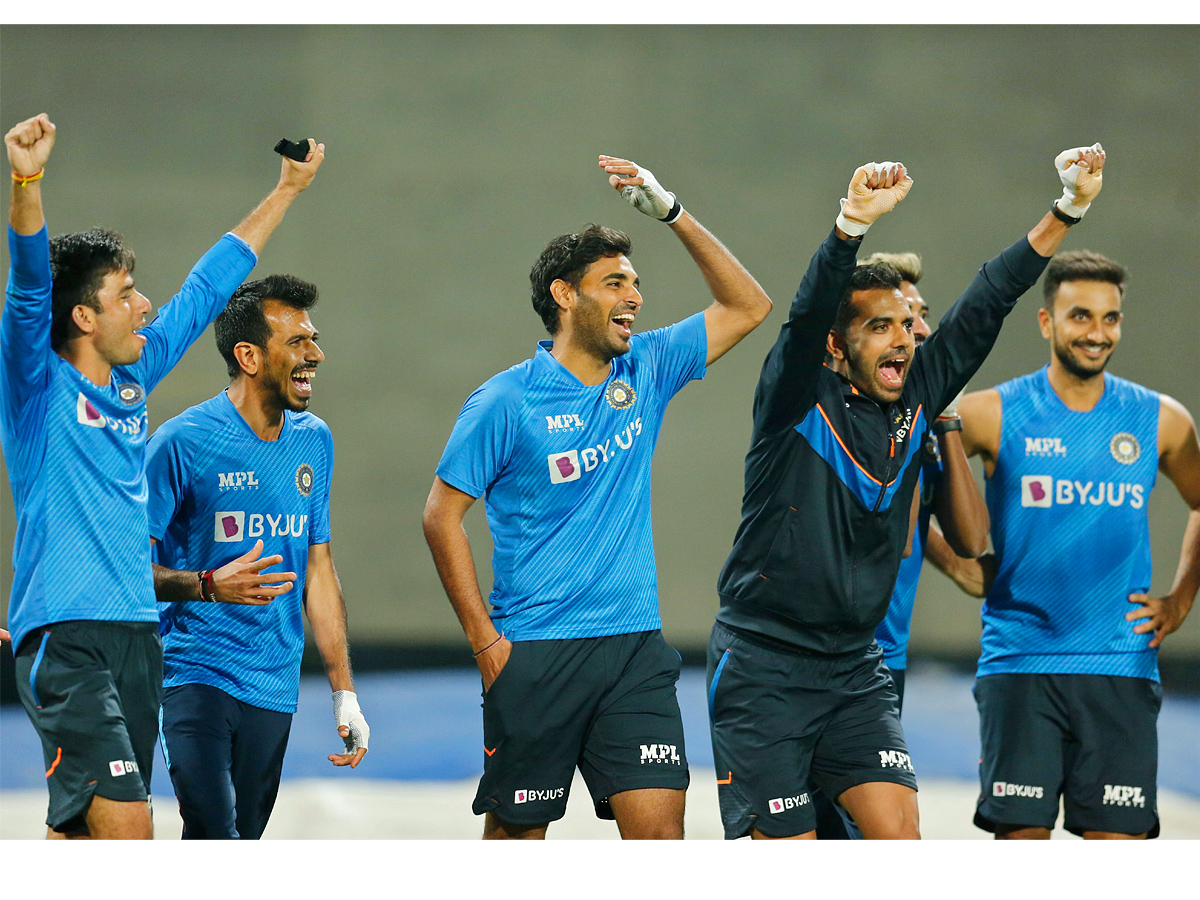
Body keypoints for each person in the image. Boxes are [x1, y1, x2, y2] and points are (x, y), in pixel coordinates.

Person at [707, 144, 1107, 840]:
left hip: (855, 670)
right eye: (878, 327)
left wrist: (1067, 208)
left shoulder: (918, 394)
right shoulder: (795, 401)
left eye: (905, 325)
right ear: (837, 348)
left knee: (899, 841)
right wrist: (850, 224)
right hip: (765, 667)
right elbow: (804, 317)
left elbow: (989, 298)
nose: (903, 340)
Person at [422, 155, 773, 839]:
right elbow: (441, 517)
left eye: (636, 283)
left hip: (634, 651)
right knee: (516, 841)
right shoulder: (504, 402)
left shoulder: (647, 366)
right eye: (615, 283)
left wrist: (672, 212)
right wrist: (487, 646)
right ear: (565, 294)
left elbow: (749, 305)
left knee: (661, 842)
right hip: (535, 651)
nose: (635, 298)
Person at [2, 113, 323, 839]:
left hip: (138, 638)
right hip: (70, 633)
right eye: (126, 294)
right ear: (83, 316)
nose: (145, 305)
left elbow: (208, 289)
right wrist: (26, 182)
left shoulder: (132, 379)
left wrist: (287, 189)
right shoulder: (34, 386)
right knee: (130, 828)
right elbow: (27, 290)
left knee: (83, 829)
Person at [950, 249, 1200, 839]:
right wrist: (957, 564)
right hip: (1020, 664)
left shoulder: (1161, 420)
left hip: (1121, 665)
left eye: (1109, 318)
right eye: (1080, 316)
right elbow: (907, 487)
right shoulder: (989, 413)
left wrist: (1181, 599)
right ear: (1047, 322)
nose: (1097, 333)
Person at [145, 273, 368, 839]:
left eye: (313, 340)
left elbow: (317, 569)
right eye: (297, 342)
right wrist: (205, 585)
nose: (315, 355)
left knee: (242, 840)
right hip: (194, 672)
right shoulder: (182, 443)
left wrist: (345, 693)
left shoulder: (314, 439)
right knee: (215, 833)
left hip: (273, 681)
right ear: (248, 355)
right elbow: (124, 574)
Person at [812, 251, 990, 840]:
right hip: (816, 651)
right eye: (898, 319)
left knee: (871, 831)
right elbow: (881, 504)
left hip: (885, 654)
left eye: (919, 317)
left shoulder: (924, 418)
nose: (917, 332)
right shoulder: (836, 418)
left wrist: (946, 422)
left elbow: (968, 542)